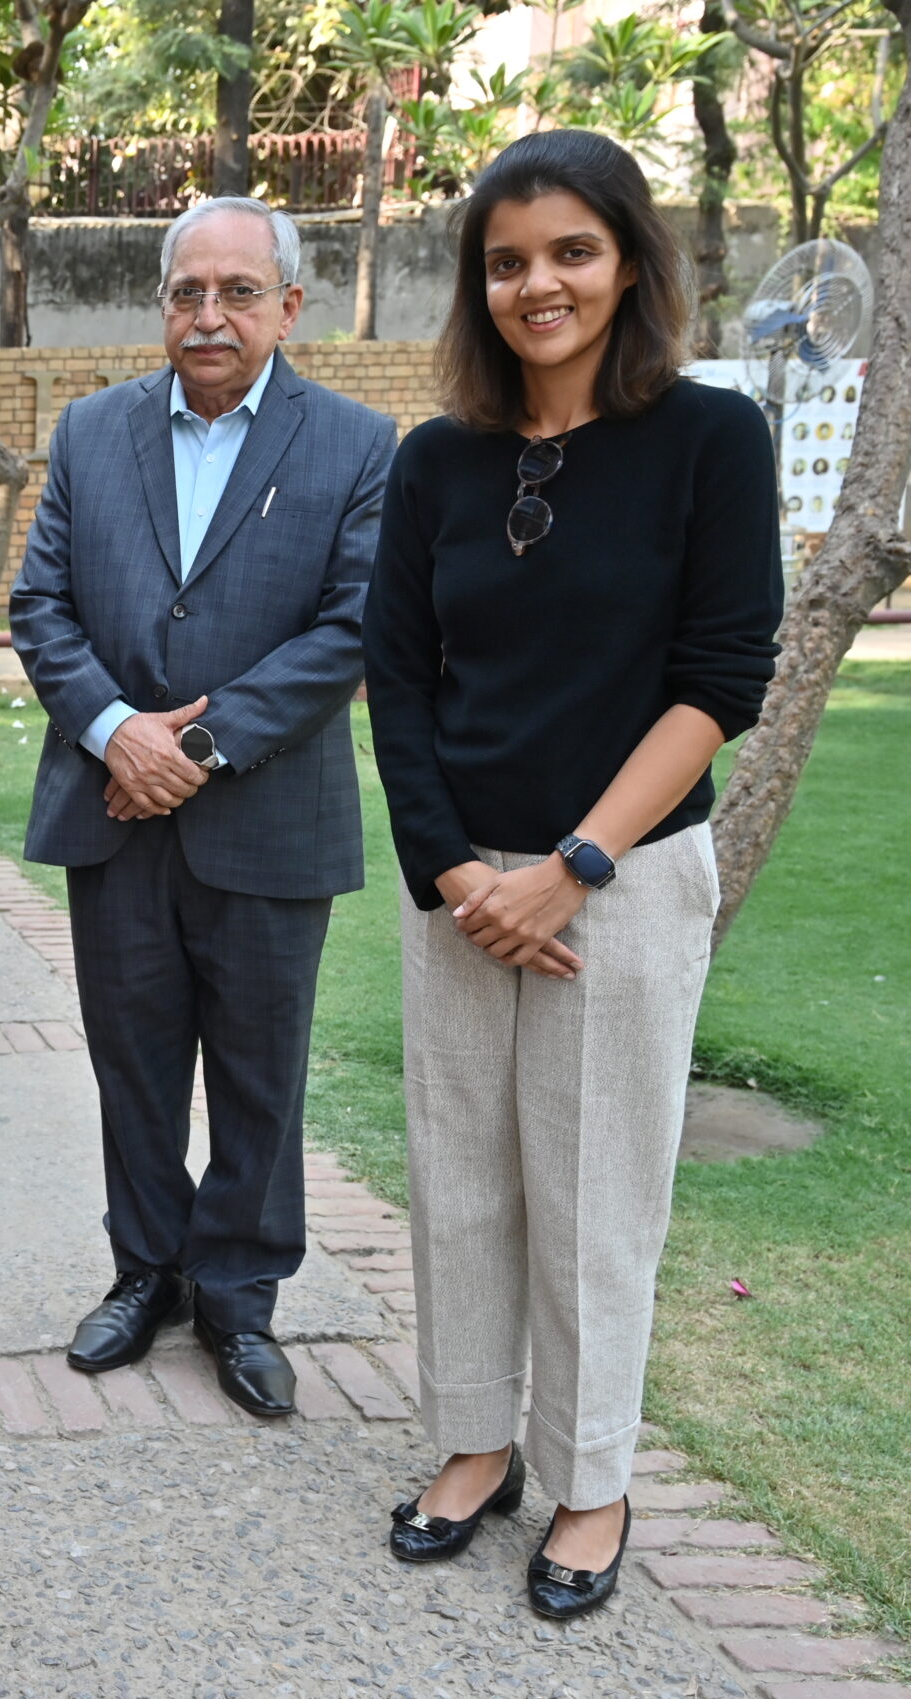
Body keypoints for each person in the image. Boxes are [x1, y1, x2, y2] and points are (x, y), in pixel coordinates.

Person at [364, 130, 780, 1618]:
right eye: (507, 261)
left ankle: (590, 1477)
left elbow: (721, 678)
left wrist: (574, 863)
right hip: (459, 888)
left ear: (629, 262)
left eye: (571, 252)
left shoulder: (711, 438)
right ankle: (475, 1442)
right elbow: (397, 676)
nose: (537, 284)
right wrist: (450, 870)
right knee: (460, 1177)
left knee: (597, 1193)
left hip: (624, 879)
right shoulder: (436, 460)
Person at [9, 197, 396, 1419]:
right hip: (110, 808)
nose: (210, 315)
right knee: (132, 1062)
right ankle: (145, 1272)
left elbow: (353, 624)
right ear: (162, 303)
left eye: (239, 291)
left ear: (290, 306)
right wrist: (116, 729)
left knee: (258, 1075)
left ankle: (237, 1295)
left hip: (268, 815)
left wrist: (196, 743)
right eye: (189, 291)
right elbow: (41, 605)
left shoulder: (357, 445)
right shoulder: (91, 431)